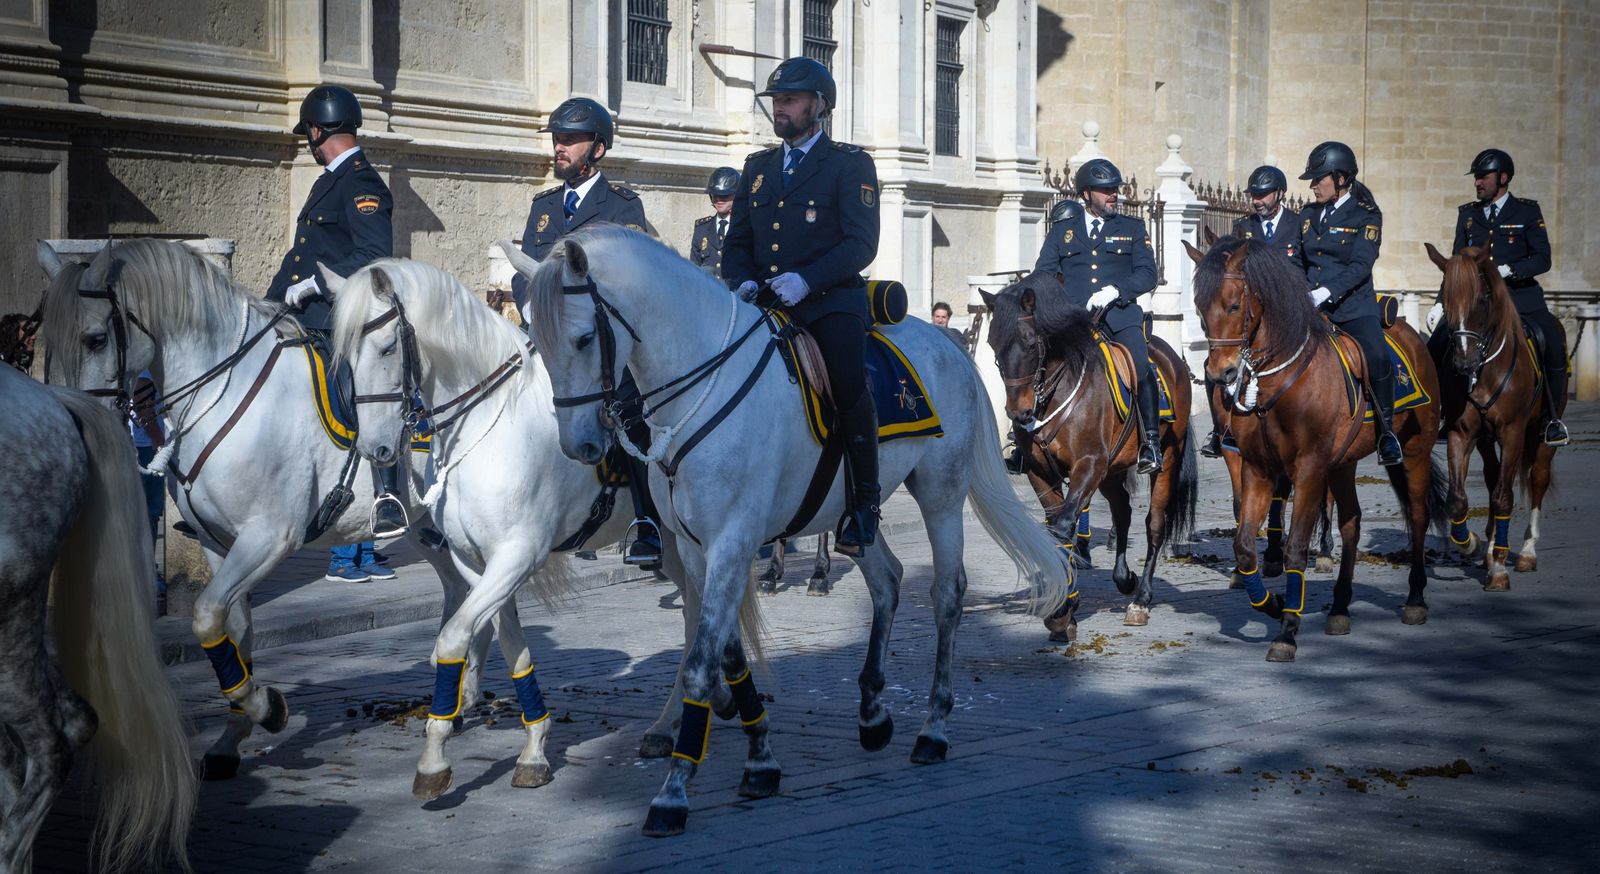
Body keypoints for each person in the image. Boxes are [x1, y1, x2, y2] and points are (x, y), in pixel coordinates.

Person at [722, 56, 883, 556]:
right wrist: (745, 281)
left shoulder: (850, 164)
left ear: (820, 106)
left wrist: (807, 280)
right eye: (776, 100)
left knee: (847, 381)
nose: (781, 109)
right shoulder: (757, 168)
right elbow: (738, 242)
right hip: (765, 302)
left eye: (790, 100)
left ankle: (863, 503)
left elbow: (862, 244)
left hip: (830, 302)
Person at [507, 97, 664, 569]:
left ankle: (647, 520)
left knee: (634, 407)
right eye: (557, 139)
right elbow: (526, 268)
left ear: (597, 149)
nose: (560, 147)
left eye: (570, 140)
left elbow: (633, 274)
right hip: (547, 335)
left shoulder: (620, 206)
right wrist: (532, 300)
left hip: (600, 342)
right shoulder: (544, 207)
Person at [266, 84, 401, 581]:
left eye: (310, 133)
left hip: (338, 323)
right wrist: (271, 301)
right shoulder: (329, 181)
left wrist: (313, 285)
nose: (310, 140)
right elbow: (299, 254)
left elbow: (371, 257)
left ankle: (383, 502)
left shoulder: (362, 182)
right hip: (305, 318)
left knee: (358, 406)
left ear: (318, 130)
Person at [1030, 158, 1163, 474]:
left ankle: (1151, 444)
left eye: (1115, 189)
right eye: (1106, 190)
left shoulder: (1132, 228)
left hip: (1119, 315)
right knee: (1035, 361)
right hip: (1073, 320)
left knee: (1140, 365)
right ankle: (1025, 438)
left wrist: (1116, 290)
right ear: (1086, 194)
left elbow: (1148, 274)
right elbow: (1044, 273)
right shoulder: (1063, 231)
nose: (1113, 195)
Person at [1427, 148, 1567, 446]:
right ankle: (1443, 413)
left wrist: (1509, 270)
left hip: (1520, 300)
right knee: (1437, 343)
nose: (1477, 182)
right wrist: (1440, 303)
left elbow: (1543, 259)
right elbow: (1456, 267)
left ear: (1503, 178)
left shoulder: (1527, 212)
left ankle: (1551, 419)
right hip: (1477, 304)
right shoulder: (1468, 215)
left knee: (1550, 341)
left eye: (1483, 177)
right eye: (1476, 177)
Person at [1297, 140, 1402, 467]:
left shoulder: (1366, 216)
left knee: (1375, 354)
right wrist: (1298, 290)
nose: (1313, 185)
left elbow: (1360, 266)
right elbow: (1300, 261)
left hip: (1352, 308)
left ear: (1341, 179)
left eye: (1319, 179)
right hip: (1310, 307)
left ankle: (1387, 433)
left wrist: (1324, 293)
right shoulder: (1308, 214)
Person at [1203, 165, 1304, 457]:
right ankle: (1220, 429)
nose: (1257, 200)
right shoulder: (1243, 228)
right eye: (1254, 195)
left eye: (1264, 195)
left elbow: (1305, 266)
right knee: (1216, 365)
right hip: (1253, 315)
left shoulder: (1298, 225)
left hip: (1290, 311)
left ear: (1280, 194)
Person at [689, 167, 739, 277]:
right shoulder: (701, 229)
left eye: (725, 195)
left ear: (736, 196)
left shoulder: (743, 227)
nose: (719, 200)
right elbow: (695, 267)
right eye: (715, 195)